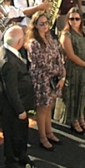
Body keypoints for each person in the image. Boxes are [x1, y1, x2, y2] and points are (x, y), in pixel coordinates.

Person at [0, 25, 35, 168]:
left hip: (19, 103)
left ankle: (21, 155)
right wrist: (20, 110)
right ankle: (11, 161)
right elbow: (11, 89)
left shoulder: (7, 50)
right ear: (18, 42)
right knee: (12, 134)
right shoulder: (8, 61)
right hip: (12, 106)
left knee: (21, 132)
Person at [27, 11, 65, 150]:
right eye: (41, 24)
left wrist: (62, 75)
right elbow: (41, 64)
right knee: (42, 109)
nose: (45, 26)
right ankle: (42, 137)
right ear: (35, 26)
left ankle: (50, 133)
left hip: (53, 78)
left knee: (50, 106)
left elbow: (58, 57)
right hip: (41, 80)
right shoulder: (33, 43)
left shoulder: (50, 38)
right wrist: (58, 72)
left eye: (46, 23)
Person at [57, 7, 85, 134]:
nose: (74, 21)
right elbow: (71, 55)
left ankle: (81, 117)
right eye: (71, 19)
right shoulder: (66, 35)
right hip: (73, 69)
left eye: (77, 19)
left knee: (83, 94)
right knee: (73, 94)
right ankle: (74, 120)